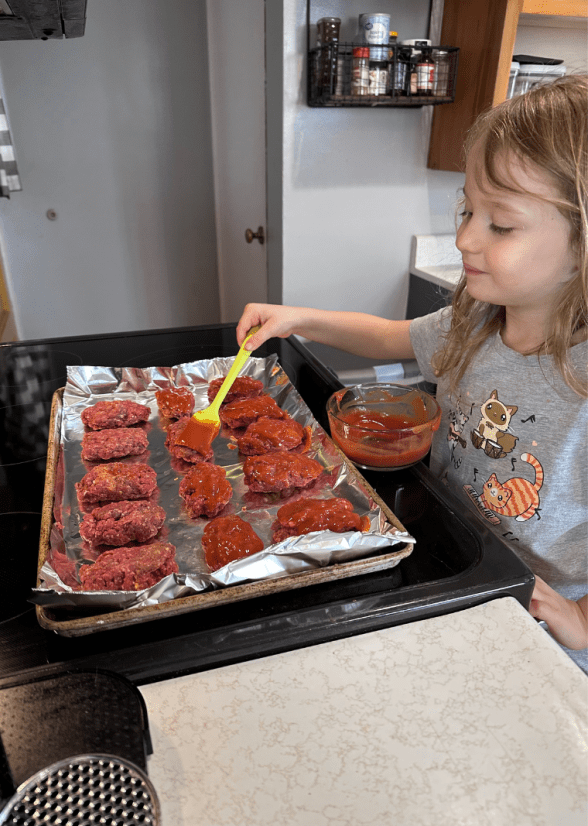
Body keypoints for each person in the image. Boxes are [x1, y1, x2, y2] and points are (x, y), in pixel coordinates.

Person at [236, 74, 588, 673]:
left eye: (500, 224)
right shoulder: (477, 321)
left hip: (534, 631)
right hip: (451, 563)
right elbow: (390, 336)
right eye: (468, 210)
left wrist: (579, 619)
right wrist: (299, 318)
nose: (465, 237)